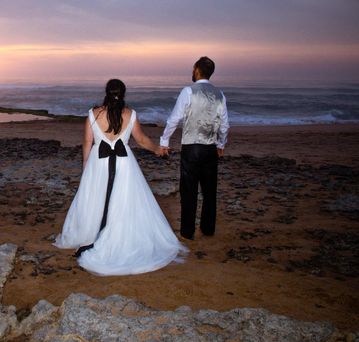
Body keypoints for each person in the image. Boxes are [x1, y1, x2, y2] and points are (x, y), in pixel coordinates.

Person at [54, 79, 186, 275]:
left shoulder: (93, 114)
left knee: (95, 199)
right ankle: (114, 234)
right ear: (123, 94)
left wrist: (86, 166)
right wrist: (158, 150)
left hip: (98, 163)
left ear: (106, 92)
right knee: (124, 202)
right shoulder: (130, 114)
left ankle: (92, 233)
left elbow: (87, 143)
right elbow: (142, 140)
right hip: (124, 165)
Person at [158, 56, 229, 240]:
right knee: (209, 190)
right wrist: (221, 144)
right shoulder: (220, 95)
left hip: (191, 148)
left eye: (193, 68)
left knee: (188, 190)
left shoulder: (188, 91)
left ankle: (187, 232)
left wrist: (164, 141)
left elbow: (174, 119)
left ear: (197, 69)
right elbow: (224, 125)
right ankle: (207, 228)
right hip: (210, 149)